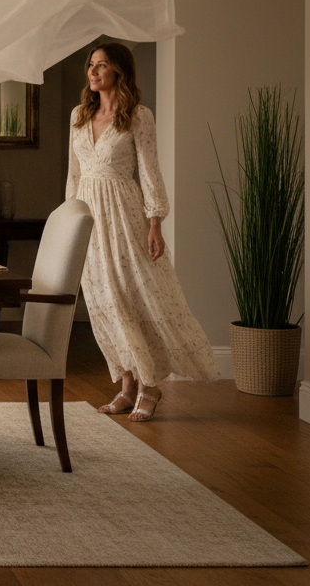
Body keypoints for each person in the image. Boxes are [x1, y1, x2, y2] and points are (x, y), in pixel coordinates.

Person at [66, 42, 218, 422]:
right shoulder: (79, 116)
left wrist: (155, 222)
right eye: (91, 65)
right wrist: (68, 220)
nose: (93, 71)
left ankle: (150, 385)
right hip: (88, 215)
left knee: (133, 296)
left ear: (119, 70)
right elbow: (73, 176)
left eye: (102, 65)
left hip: (124, 215)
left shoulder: (138, 116)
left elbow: (149, 172)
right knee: (103, 303)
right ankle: (127, 385)